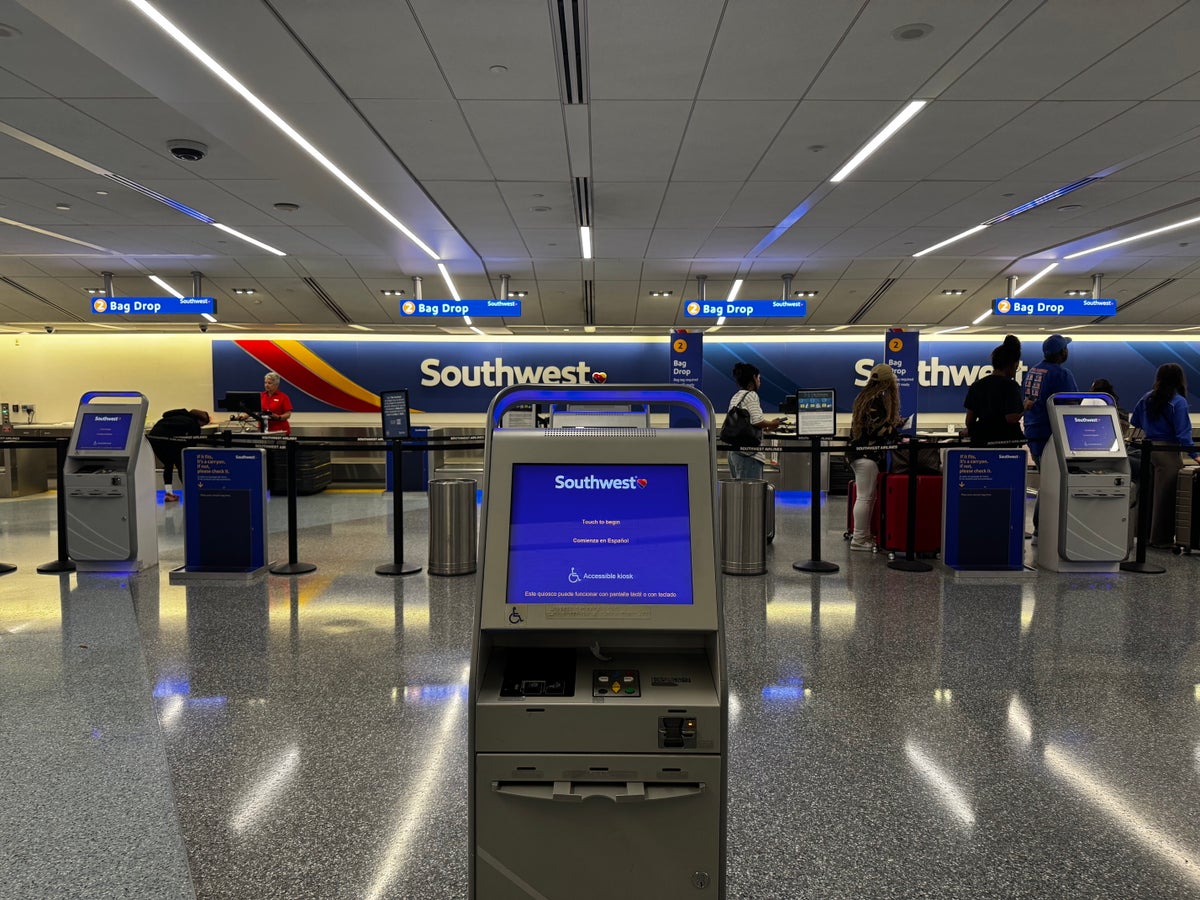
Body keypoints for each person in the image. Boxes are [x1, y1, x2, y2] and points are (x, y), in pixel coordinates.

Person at [1131, 363, 1199, 548]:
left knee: (1147, 495)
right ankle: (1161, 540)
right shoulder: (1178, 402)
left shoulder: (1146, 398)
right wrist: (1196, 455)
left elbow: (1134, 420)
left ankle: (1143, 536)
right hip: (1168, 453)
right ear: (1180, 379)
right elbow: (1183, 433)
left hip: (1148, 451)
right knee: (1165, 497)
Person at [1022, 334, 1079, 539]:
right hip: (1051, 435)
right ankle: (1045, 528)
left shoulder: (1033, 371)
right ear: (1062, 352)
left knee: (1046, 482)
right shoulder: (1062, 375)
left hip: (1033, 431)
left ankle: (1041, 527)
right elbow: (1072, 405)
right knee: (1053, 484)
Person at [845, 363, 903, 552]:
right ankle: (860, 539)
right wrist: (893, 429)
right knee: (865, 498)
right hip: (866, 454)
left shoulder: (865, 396)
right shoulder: (878, 398)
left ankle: (863, 535)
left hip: (856, 452)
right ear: (888, 381)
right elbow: (876, 429)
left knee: (865, 497)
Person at [726, 362, 783, 480]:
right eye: (758, 378)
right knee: (750, 496)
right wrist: (773, 423)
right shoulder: (752, 395)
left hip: (734, 452)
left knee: (739, 492)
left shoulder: (737, 396)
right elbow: (757, 421)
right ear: (753, 379)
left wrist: (767, 428)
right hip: (748, 455)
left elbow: (745, 424)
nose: (760, 382)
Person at [964, 335, 1024, 446]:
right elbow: (1011, 418)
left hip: (981, 441)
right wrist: (1026, 407)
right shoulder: (1011, 386)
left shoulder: (977, 385)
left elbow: (969, 421)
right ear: (1012, 365)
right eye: (1016, 368)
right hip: (1005, 444)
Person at [147, 408, 211, 501]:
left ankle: (169, 493)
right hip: (168, 441)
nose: (201, 427)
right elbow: (192, 444)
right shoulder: (193, 424)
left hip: (154, 439)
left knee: (168, 464)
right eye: (203, 425)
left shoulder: (176, 416)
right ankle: (189, 492)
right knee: (181, 466)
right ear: (200, 420)